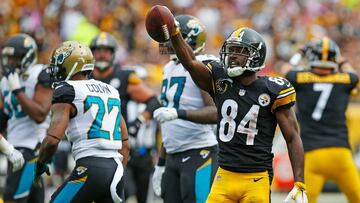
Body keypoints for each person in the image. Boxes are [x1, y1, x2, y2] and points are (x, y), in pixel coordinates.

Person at [148, 10, 307, 203]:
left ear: (256, 56)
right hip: (224, 175)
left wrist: (299, 183)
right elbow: (189, 62)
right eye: (231, 50)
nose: (232, 56)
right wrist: (174, 34)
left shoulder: (272, 89)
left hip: (256, 177)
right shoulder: (220, 80)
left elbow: (292, 137)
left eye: (239, 51)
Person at [34, 41, 129, 203]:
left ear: (72, 65)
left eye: (60, 64)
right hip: (116, 170)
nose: (56, 69)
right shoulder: (110, 90)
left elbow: (52, 140)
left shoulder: (67, 90)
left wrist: (40, 163)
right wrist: (118, 171)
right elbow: (125, 142)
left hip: (90, 167)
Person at [284, 37, 360, 203]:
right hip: (341, 154)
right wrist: (342, 59)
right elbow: (354, 75)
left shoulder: (299, 77)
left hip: (312, 154)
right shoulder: (346, 80)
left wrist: (299, 52)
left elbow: (286, 70)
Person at [151, 15, 219, 203]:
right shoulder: (169, 67)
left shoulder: (204, 64)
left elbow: (216, 113)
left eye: (173, 39)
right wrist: (161, 163)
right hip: (172, 155)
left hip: (199, 151)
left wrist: (178, 113)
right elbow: (168, 123)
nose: (168, 44)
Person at [89, 32, 161, 203]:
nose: (101, 54)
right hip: (90, 148)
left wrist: (138, 121)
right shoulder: (85, 77)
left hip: (118, 148)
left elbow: (153, 101)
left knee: (125, 196)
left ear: (113, 53)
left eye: (106, 50)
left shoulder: (124, 76)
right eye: (98, 50)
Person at [0, 33, 52, 203]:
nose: (11, 63)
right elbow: (3, 118)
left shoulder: (40, 73)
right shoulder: (4, 81)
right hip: (14, 149)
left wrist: (18, 91)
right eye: (9, 58)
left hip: (32, 148)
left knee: (12, 199)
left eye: (15, 58)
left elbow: (39, 114)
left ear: (28, 57)